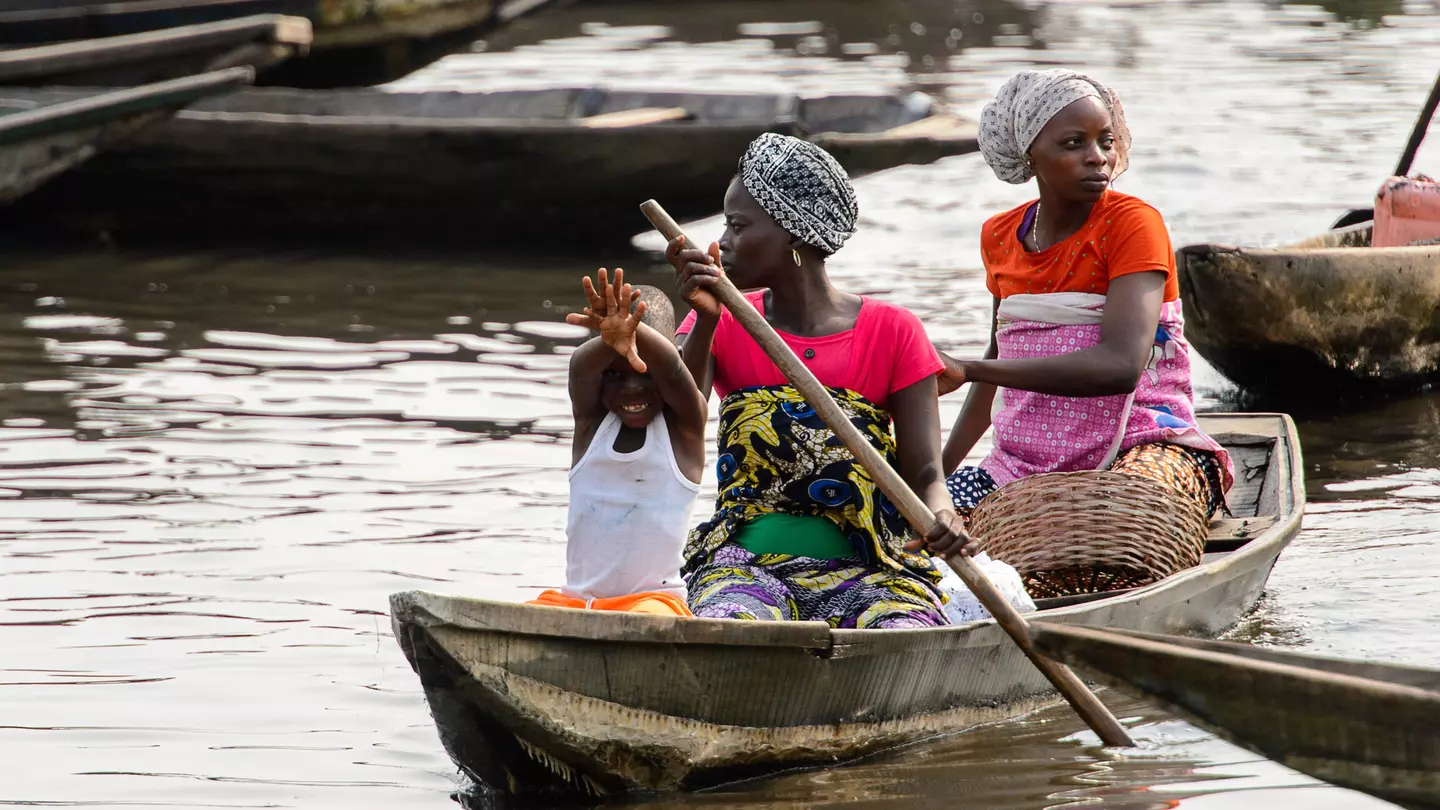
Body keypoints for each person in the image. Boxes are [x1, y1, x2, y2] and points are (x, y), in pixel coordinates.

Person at [666, 132, 976, 629]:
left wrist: (944, 515)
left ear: (794, 234)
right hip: (746, 568)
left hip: (872, 569)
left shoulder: (893, 330)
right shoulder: (721, 320)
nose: (722, 243)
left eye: (738, 225)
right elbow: (677, 419)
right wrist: (704, 320)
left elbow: (925, 474)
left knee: (901, 630)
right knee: (731, 625)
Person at [934, 69, 1233, 541]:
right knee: (917, 530)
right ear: (1029, 154)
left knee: (1126, 517)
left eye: (1106, 141)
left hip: (1143, 442)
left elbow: (1121, 367)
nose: (1098, 157)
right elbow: (999, 357)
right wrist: (937, 478)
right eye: (1074, 143)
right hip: (1023, 460)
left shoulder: (1133, 223)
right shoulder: (999, 235)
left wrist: (967, 369)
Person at [527, 269, 707, 616]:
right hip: (577, 602)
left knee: (647, 620)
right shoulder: (592, 426)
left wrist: (633, 332)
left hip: (654, 602)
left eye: (644, 372)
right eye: (613, 374)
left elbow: (672, 370)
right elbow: (580, 368)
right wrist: (610, 338)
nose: (631, 388)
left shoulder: (684, 430)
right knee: (527, 613)